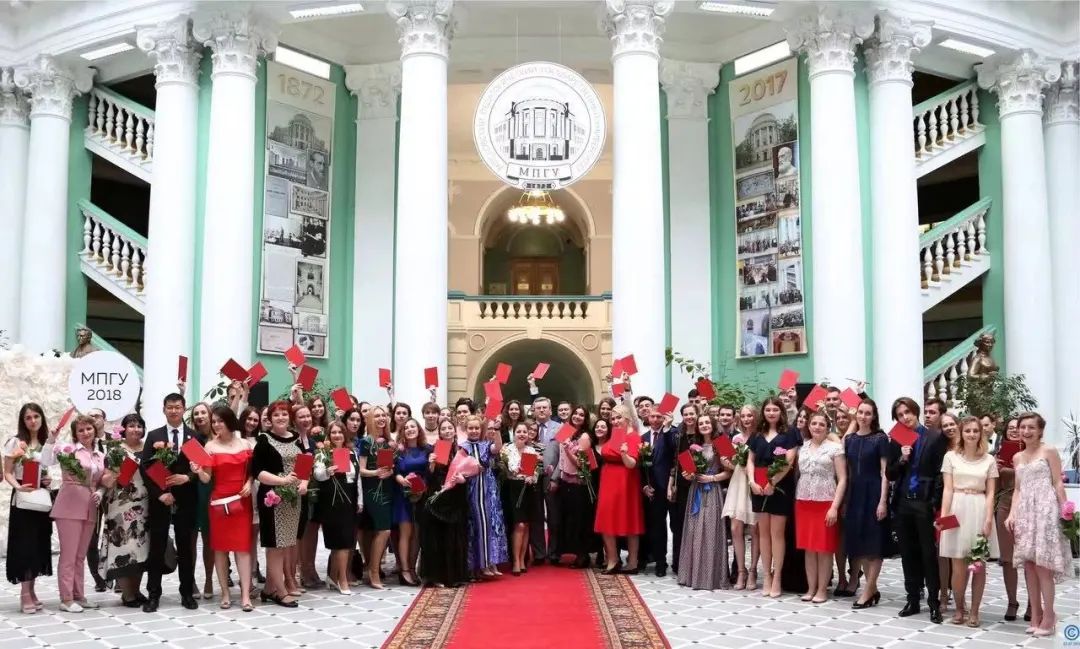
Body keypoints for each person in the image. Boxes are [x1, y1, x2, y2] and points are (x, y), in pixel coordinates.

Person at [1005, 412, 1073, 637]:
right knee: (1030, 567)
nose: (1026, 431)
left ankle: (1050, 615)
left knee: (1043, 566)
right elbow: (1017, 489)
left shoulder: (1049, 451)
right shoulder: (1017, 457)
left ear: (1040, 430)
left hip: (1045, 511)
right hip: (1025, 513)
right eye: (1022, 427)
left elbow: (1057, 482)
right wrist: (1012, 514)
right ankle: (1036, 614)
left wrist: (1066, 510)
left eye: (1031, 427)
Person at [886, 397, 947, 624]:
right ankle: (912, 599)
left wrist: (935, 503)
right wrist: (901, 458)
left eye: (908, 412)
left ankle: (934, 603)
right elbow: (890, 474)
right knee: (907, 553)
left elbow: (941, 473)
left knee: (928, 554)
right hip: (902, 501)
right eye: (900, 415)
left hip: (924, 502)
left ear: (916, 412)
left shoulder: (934, 436)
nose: (905, 418)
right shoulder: (897, 439)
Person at [141, 393, 201, 612]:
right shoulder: (154, 435)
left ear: (184, 408)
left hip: (186, 500)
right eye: (169, 407)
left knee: (186, 548)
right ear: (164, 409)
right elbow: (146, 468)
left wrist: (188, 477)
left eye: (177, 407)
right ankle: (153, 595)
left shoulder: (193, 436)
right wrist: (160, 494)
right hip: (161, 501)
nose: (174, 411)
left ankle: (186, 593)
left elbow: (202, 466)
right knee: (156, 547)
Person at [191, 407, 254, 611]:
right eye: (214, 421)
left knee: (243, 548)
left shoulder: (245, 443)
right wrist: (198, 470)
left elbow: (252, 470)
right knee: (220, 549)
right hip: (219, 501)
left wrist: (249, 482)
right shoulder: (209, 446)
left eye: (220, 421)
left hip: (242, 501)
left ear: (229, 421)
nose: (216, 425)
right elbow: (207, 478)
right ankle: (225, 593)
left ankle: (245, 595)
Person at [938, 416, 998, 627]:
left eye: (975, 431)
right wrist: (944, 516)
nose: (971, 434)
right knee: (958, 565)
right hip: (957, 506)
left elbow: (991, 493)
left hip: (979, 507)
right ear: (961, 433)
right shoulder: (951, 457)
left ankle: (975, 611)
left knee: (978, 564)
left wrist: (989, 518)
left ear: (981, 433)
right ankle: (960, 608)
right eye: (968, 431)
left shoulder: (989, 460)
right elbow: (947, 489)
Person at [43, 414, 106, 612]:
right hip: (69, 505)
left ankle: (79, 595)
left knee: (80, 556)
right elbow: (45, 460)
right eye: (81, 430)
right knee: (69, 555)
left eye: (88, 429)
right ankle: (66, 598)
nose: (85, 433)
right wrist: (51, 439)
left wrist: (101, 492)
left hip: (90, 506)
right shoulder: (67, 450)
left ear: (95, 430)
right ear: (75, 434)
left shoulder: (99, 455)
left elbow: (102, 481)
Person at [252, 400, 306, 608]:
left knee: (286, 545)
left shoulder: (296, 438)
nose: (281, 418)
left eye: (284, 414)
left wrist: (303, 482)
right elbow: (258, 472)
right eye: (276, 415)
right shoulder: (264, 440)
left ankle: (268, 590)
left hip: (293, 499)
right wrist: (282, 481)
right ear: (270, 419)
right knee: (275, 546)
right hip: (272, 499)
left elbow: (304, 465)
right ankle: (280, 591)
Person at [4, 403, 54, 613]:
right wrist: (18, 486)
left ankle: (32, 592)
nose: (33, 421)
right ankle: (25, 595)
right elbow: (7, 472)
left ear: (42, 418)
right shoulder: (15, 442)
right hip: (23, 499)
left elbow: (45, 469)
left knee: (38, 545)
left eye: (36, 416)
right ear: (23, 421)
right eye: (28, 418)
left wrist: (47, 480)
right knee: (25, 546)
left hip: (40, 499)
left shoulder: (44, 444)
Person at [746, 398, 797, 598]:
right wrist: (751, 481)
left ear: (781, 411)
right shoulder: (757, 434)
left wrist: (772, 483)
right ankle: (766, 575)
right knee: (763, 534)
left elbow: (789, 461)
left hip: (779, 488)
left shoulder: (789, 433)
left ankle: (777, 577)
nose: (771, 413)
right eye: (768, 409)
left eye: (775, 409)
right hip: (758, 487)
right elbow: (750, 460)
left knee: (777, 534)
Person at [99, 413, 150, 608]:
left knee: (140, 549)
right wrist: (115, 475)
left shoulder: (148, 447)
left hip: (143, 504)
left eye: (139, 425)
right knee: (124, 547)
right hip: (121, 505)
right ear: (124, 429)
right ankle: (127, 593)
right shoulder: (115, 449)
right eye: (131, 426)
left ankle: (136, 590)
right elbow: (106, 477)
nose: (136, 429)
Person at [795, 411, 846, 604]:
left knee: (824, 548)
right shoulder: (803, 447)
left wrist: (834, 507)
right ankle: (811, 587)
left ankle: (823, 589)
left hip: (825, 501)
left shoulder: (835, 448)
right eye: (814, 423)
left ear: (827, 427)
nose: (817, 427)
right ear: (808, 426)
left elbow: (842, 479)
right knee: (809, 547)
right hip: (804, 500)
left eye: (821, 424)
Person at [843, 400, 890, 609]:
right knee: (859, 544)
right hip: (855, 494)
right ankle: (872, 587)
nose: (863, 416)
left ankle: (869, 590)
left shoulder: (880, 439)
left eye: (867, 413)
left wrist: (882, 502)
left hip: (874, 492)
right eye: (860, 412)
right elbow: (848, 472)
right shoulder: (850, 439)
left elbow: (884, 473)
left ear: (874, 416)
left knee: (874, 545)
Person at [677, 414, 731, 591]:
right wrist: (689, 474)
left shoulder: (722, 442)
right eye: (701, 423)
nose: (704, 425)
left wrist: (712, 478)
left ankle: (711, 576)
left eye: (707, 422)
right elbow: (688, 470)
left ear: (713, 424)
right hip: (696, 490)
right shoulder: (694, 445)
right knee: (694, 530)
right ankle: (692, 575)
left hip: (713, 490)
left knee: (710, 530)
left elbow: (732, 470)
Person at [418, 418, 471, 587]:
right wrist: (431, 464)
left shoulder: (462, 450)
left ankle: (454, 576)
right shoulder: (435, 450)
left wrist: (464, 479)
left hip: (456, 497)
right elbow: (428, 476)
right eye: (444, 429)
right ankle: (436, 577)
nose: (447, 431)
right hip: (437, 498)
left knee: (454, 537)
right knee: (436, 539)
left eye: (450, 428)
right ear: (439, 433)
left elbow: (469, 473)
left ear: (455, 431)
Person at [595, 404, 644, 574]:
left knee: (629, 520)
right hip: (608, 480)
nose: (615, 421)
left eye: (618, 418)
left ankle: (632, 562)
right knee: (607, 520)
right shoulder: (616, 434)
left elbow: (632, 464)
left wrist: (623, 454)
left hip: (625, 482)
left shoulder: (633, 437)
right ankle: (612, 559)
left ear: (627, 418)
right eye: (613, 419)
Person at [312, 420, 360, 594]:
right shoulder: (322, 453)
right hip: (331, 500)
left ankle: (332, 577)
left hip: (349, 499)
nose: (337, 435)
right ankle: (342, 580)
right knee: (338, 541)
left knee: (347, 540)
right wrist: (328, 471)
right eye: (333, 432)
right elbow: (317, 474)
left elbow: (357, 479)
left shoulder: (352, 453)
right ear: (328, 435)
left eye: (340, 432)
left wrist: (360, 501)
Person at [461, 415, 507, 577]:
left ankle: (491, 562)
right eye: (470, 428)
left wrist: (497, 430)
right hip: (472, 488)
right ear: (465, 429)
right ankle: (479, 565)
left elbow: (498, 448)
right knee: (477, 525)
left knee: (492, 524)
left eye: (476, 428)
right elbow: (458, 467)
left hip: (488, 488)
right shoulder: (462, 447)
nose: (474, 431)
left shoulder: (485, 445)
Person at [357, 405, 394, 589]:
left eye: (384, 415)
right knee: (384, 530)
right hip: (372, 490)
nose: (381, 418)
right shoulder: (365, 441)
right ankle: (373, 571)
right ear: (370, 419)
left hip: (387, 488)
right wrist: (376, 472)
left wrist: (390, 471)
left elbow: (391, 466)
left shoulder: (388, 441)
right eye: (377, 415)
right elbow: (361, 470)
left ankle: (375, 568)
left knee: (381, 531)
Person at [723, 405, 760, 590]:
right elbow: (733, 463)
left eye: (750, 415)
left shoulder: (760, 437)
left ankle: (753, 570)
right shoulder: (736, 438)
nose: (747, 419)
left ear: (755, 417)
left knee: (754, 529)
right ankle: (741, 571)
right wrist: (727, 463)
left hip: (754, 482)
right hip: (738, 482)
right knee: (735, 527)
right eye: (744, 416)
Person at [555, 406, 595, 569]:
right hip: (565, 481)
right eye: (576, 414)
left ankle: (582, 556)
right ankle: (571, 552)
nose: (577, 417)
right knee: (568, 520)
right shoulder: (566, 430)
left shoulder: (585, 436)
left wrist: (567, 449)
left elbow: (581, 464)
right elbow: (560, 455)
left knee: (580, 520)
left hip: (578, 483)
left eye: (581, 415)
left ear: (585, 419)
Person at [392, 418, 431, 586]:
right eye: (406, 428)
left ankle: (413, 568)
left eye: (412, 426)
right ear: (403, 432)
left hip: (421, 494)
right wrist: (402, 480)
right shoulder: (400, 451)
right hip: (403, 494)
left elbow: (431, 472)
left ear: (418, 429)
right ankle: (405, 570)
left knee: (417, 533)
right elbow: (396, 472)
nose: (409, 429)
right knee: (405, 533)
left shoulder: (427, 449)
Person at [993, 417, 1024, 621]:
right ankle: (1012, 601)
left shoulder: (1036, 453)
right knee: (1008, 559)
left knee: (1031, 559)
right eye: (1010, 428)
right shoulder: (999, 454)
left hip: (1029, 506)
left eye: (1018, 428)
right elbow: (994, 487)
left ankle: (1034, 603)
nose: (1014, 431)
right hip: (1004, 505)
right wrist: (994, 468)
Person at [502, 422, 542, 575]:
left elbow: (535, 471)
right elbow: (512, 469)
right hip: (514, 488)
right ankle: (516, 561)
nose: (522, 434)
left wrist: (533, 476)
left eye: (525, 431)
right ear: (514, 433)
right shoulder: (508, 449)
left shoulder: (531, 450)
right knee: (518, 524)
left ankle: (523, 560)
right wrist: (521, 468)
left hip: (528, 489)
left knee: (526, 525)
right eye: (519, 431)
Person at [640, 406, 675, 577]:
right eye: (652, 416)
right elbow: (641, 465)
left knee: (674, 524)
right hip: (652, 488)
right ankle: (659, 560)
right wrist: (644, 485)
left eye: (659, 417)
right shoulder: (643, 438)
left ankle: (677, 560)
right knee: (656, 525)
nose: (655, 420)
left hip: (670, 486)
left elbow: (673, 450)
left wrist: (667, 428)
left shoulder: (671, 433)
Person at [189, 402, 216, 601]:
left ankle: (208, 579)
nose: (200, 416)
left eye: (203, 412)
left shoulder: (220, 437)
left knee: (209, 540)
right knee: (190, 540)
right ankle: (190, 580)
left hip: (213, 491)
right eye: (196, 413)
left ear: (210, 414)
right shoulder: (191, 440)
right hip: (192, 491)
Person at [668, 403, 699, 575]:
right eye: (686, 414)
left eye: (692, 414)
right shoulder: (678, 435)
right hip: (682, 485)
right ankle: (679, 564)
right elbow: (674, 462)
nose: (689, 417)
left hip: (703, 485)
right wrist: (670, 484)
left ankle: (697, 563)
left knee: (698, 525)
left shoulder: (704, 432)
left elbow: (728, 457)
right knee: (680, 525)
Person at [531, 396, 560, 566]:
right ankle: (539, 553)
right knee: (536, 516)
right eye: (538, 408)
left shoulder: (561, 428)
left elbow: (563, 455)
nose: (541, 410)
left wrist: (556, 477)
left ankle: (554, 552)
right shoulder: (528, 428)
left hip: (552, 478)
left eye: (544, 407)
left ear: (550, 410)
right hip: (533, 478)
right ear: (533, 410)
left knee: (554, 516)